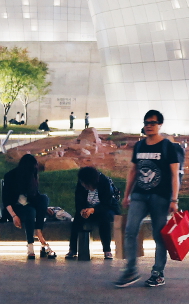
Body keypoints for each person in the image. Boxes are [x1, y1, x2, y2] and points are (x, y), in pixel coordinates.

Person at [116, 109, 180, 288]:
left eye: (152, 123)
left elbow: (175, 175)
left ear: (160, 125)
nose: (148, 126)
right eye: (146, 123)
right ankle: (130, 269)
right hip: (139, 195)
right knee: (130, 230)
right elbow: (133, 171)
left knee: (159, 235)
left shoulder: (168, 147)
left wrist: (174, 200)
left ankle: (158, 272)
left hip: (160, 197)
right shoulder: (139, 146)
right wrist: (127, 194)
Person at [2, 154, 56, 259]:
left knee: (43, 198)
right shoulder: (10, 176)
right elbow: (6, 199)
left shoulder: (33, 174)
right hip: (15, 207)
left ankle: (38, 230)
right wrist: (14, 216)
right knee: (30, 212)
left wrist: (44, 207)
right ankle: (31, 244)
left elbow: (35, 194)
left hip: (29, 203)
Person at [66, 166, 117, 259]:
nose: (85, 187)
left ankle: (107, 250)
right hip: (87, 209)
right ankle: (72, 249)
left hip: (103, 210)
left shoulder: (104, 182)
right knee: (77, 220)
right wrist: (82, 210)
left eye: (87, 185)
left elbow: (107, 204)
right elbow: (78, 200)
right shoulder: (81, 183)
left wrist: (93, 210)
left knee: (104, 220)